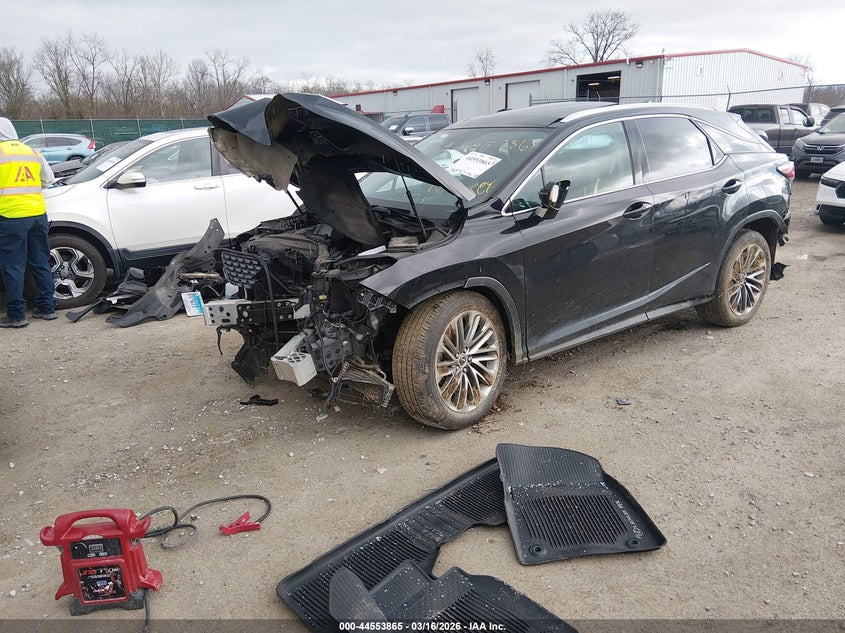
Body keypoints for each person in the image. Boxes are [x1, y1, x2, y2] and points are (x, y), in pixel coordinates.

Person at [0, 117, 57, 328]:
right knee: (40, 262)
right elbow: (48, 180)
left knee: (13, 267)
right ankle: (47, 308)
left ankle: (16, 315)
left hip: (10, 217)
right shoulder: (32, 152)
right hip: (37, 214)